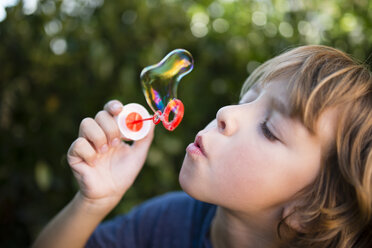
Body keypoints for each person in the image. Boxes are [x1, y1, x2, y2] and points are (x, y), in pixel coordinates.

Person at [33, 45, 372, 248]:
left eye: (269, 129)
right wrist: (93, 203)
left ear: (308, 210)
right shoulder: (169, 220)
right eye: (246, 100)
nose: (226, 113)